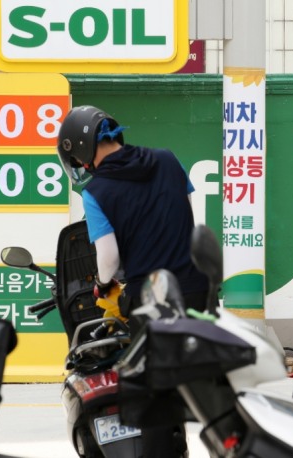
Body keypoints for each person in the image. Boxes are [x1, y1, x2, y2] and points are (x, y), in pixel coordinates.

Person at [57, 105, 210, 458]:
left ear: (80, 149)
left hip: (152, 297)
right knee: (191, 388)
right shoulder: (168, 159)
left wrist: (103, 283)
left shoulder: (96, 193)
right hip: (195, 288)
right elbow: (185, 209)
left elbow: (108, 258)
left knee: (154, 395)